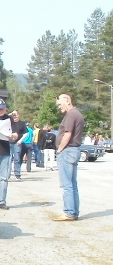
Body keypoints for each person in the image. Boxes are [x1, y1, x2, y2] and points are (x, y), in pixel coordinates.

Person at [54, 93, 84, 221]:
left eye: (60, 104)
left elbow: (67, 134)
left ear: (67, 101)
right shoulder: (78, 114)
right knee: (72, 184)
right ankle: (74, 211)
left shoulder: (71, 115)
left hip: (67, 151)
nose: (59, 107)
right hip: (74, 150)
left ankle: (69, 212)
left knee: (66, 184)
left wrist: (60, 150)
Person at [9, 110, 28, 179]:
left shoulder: (22, 123)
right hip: (9, 143)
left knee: (17, 159)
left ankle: (17, 174)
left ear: (18, 115)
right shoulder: (9, 122)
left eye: (16, 115)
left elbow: (26, 133)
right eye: (13, 115)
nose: (15, 116)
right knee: (8, 159)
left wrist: (20, 140)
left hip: (17, 143)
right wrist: (11, 114)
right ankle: (7, 174)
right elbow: (3, 118)